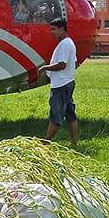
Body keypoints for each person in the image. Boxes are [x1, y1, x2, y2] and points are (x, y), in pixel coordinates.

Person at [37, 18, 79, 147]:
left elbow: (62, 64)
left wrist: (45, 68)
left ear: (62, 29)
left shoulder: (65, 44)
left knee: (56, 114)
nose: (51, 32)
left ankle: (46, 142)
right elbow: (74, 62)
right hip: (67, 82)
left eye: (54, 29)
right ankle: (74, 142)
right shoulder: (67, 43)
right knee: (70, 114)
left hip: (61, 85)